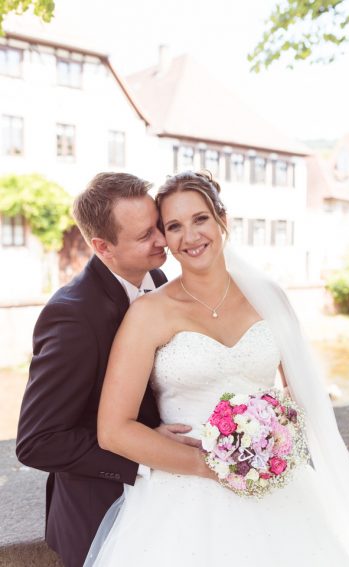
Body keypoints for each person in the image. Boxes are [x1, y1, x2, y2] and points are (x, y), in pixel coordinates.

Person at [84, 170, 349, 567]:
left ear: (223, 219)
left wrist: (277, 436)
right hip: (185, 494)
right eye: (174, 226)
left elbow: (300, 398)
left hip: (277, 486)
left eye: (200, 219)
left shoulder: (269, 297)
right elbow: (114, 430)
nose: (190, 237)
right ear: (165, 239)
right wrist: (205, 465)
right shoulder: (148, 314)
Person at [16, 172, 206, 567]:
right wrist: (143, 451)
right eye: (144, 236)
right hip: (101, 513)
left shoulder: (155, 276)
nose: (161, 241)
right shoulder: (71, 317)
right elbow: (38, 441)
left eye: (157, 226)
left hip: (170, 502)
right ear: (103, 247)